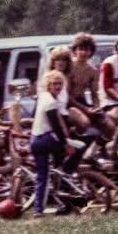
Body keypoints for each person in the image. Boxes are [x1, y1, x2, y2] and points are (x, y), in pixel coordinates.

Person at [29, 70, 71, 218]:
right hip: (45, 139)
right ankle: (65, 193)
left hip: (35, 139)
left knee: (42, 176)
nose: (57, 86)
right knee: (72, 156)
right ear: (48, 85)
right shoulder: (50, 101)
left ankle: (38, 210)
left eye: (60, 83)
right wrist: (66, 144)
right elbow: (57, 126)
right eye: (54, 83)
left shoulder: (43, 97)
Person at [67, 33, 106, 140]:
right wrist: (86, 109)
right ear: (75, 50)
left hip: (81, 100)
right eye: (81, 49)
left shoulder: (92, 70)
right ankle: (70, 137)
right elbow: (67, 95)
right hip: (67, 102)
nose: (83, 53)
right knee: (84, 122)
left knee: (107, 124)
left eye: (87, 50)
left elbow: (94, 94)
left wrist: (97, 108)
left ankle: (95, 150)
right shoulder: (69, 67)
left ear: (91, 52)